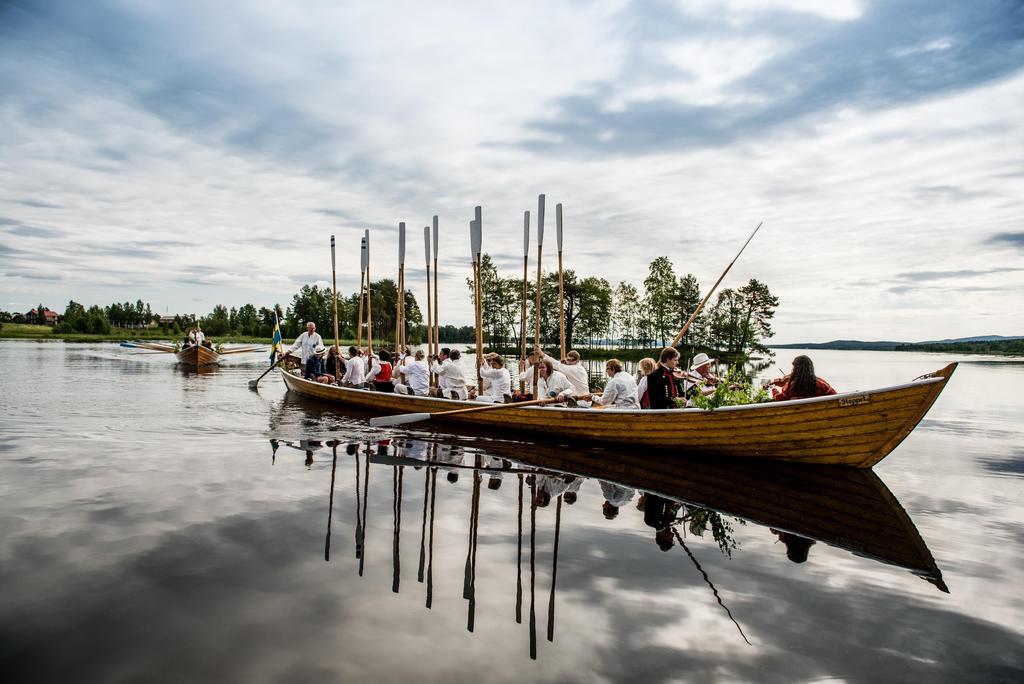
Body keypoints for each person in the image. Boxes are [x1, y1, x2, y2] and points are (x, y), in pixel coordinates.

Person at [770, 355, 837, 400]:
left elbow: (779, 398)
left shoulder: (790, 386)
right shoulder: (821, 383)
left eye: (794, 367)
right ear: (810, 367)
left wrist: (773, 389)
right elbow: (834, 395)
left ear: (796, 368)